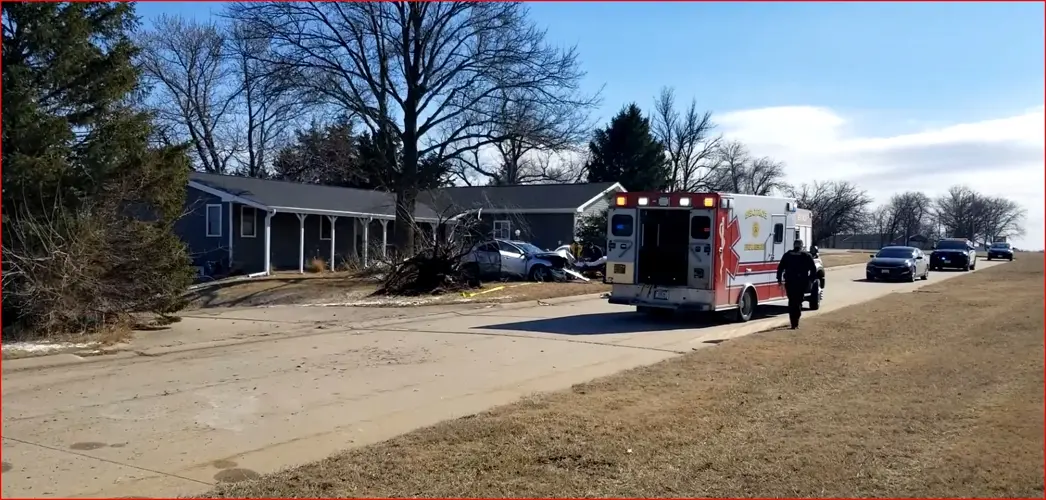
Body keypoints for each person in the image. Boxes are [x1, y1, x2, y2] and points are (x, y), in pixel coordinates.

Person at [776, 239, 818, 329]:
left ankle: (792, 322)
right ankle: (796, 323)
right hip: (801, 282)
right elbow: (813, 269)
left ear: (794, 245)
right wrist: (811, 280)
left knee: (791, 301)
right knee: (798, 302)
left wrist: (779, 280)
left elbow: (780, 268)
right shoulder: (806, 255)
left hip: (790, 282)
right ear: (802, 246)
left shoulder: (787, 255)